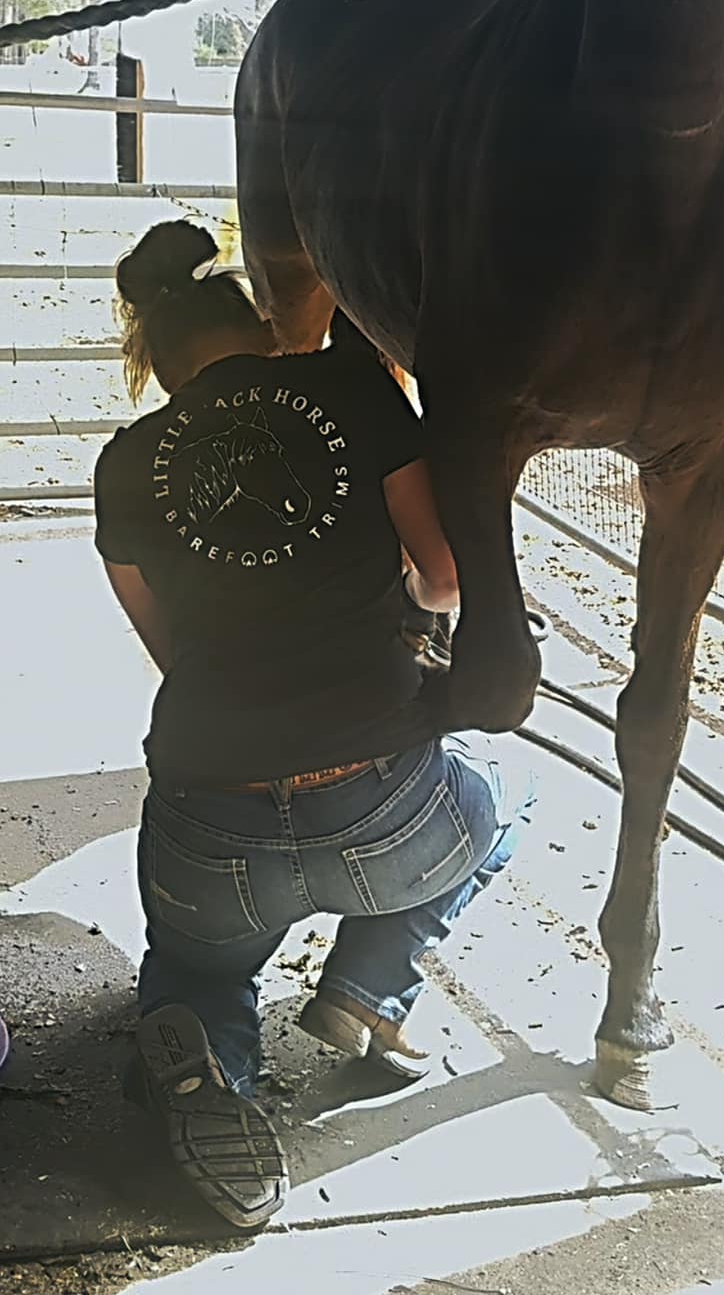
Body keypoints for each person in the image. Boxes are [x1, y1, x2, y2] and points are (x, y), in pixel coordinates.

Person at [93, 221, 535, 1232]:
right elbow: (445, 575)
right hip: (385, 806)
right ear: (257, 324)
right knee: (509, 796)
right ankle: (368, 982)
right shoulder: (349, 390)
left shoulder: (126, 463)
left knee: (196, 961)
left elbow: (166, 644)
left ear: (159, 365)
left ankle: (217, 1057)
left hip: (212, 826)